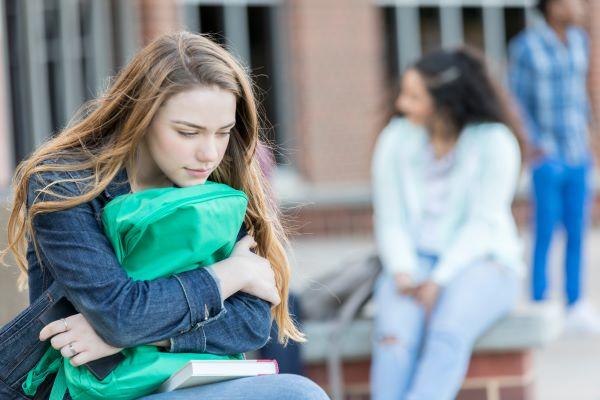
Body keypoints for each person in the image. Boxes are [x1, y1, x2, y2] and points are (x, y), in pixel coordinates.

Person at [0, 32, 328, 400]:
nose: (209, 153)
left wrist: (146, 337)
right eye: (188, 132)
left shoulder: (217, 184)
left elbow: (251, 322)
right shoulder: (65, 184)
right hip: (82, 389)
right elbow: (120, 313)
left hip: (180, 381)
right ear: (141, 116)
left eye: (223, 133)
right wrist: (231, 274)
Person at [370, 47, 524, 400]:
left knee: (447, 334)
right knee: (393, 338)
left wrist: (439, 279)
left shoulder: (496, 143)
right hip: (413, 261)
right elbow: (389, 218)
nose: (402, 105)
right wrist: (403, 270)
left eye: (414, 96)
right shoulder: (395, 139)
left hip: (484, 263)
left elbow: (484, 224)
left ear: (445, 102)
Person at [508, 0, 600, 334]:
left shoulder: (580, 41)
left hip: (578, 152)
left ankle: (575, 302)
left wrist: (592, 136)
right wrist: (533, 143)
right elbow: (514, 100)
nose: (576, 6)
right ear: (550, 6)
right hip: (548, 154)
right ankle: (541, 301)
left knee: (578, 230)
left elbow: (583, 94)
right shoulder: (526, 46)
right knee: (545, 231)